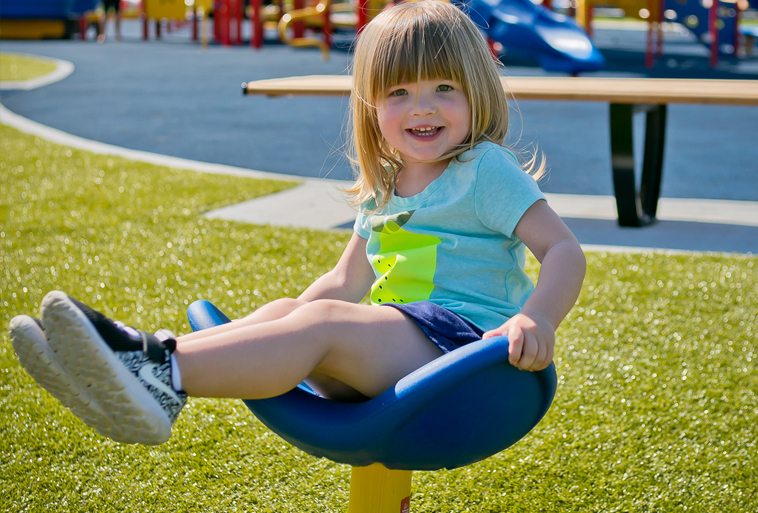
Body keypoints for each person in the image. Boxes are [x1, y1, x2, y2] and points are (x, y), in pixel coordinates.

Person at [9, 0, 586, 446]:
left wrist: (535, 320)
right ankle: (147, 357)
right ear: (372, 105)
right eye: (400, 93)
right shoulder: (386, 184)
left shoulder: (483, 170)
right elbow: (342, 283)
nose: (423, 108)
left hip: (466, 357)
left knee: (324, 324)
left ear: (476, 93)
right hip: (399, 346)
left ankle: (163, 373)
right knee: (299, 311)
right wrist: (286, 321)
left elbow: (563, 251)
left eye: (444, 89)